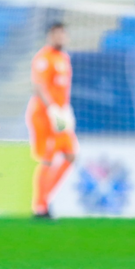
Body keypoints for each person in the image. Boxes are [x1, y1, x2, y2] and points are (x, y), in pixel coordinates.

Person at [26, 22, 78, 219]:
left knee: (71, 154)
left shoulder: (64, 58)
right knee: (47, 159)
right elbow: (39, 85)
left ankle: (45, 199)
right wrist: (53, 108)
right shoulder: (44, 58)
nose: (60, 38)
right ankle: (40, 207)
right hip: (44, 115)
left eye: (62, 34)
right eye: (56, 34)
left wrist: (65, 109)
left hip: (60, 115)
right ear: (50, 36)